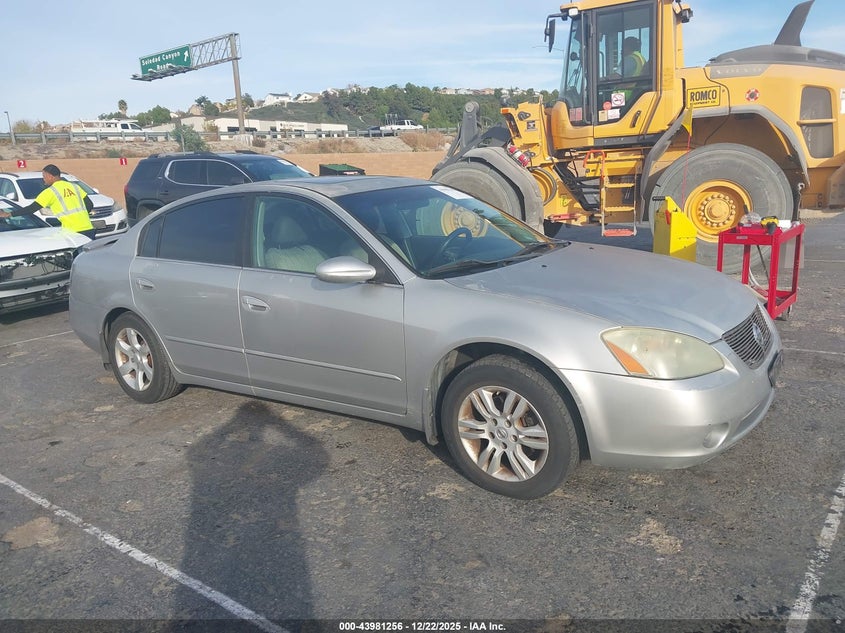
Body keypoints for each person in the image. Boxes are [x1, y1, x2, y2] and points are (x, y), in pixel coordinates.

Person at [0, 164, 97, 239]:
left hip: (72, 232)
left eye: (44, 176)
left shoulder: (50, 192)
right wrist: (81, 216)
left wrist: (9, 214)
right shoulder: (75, 186)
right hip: (88, 229)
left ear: (50, 176)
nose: (43, 179)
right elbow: (89, 204)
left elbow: (31, 209)